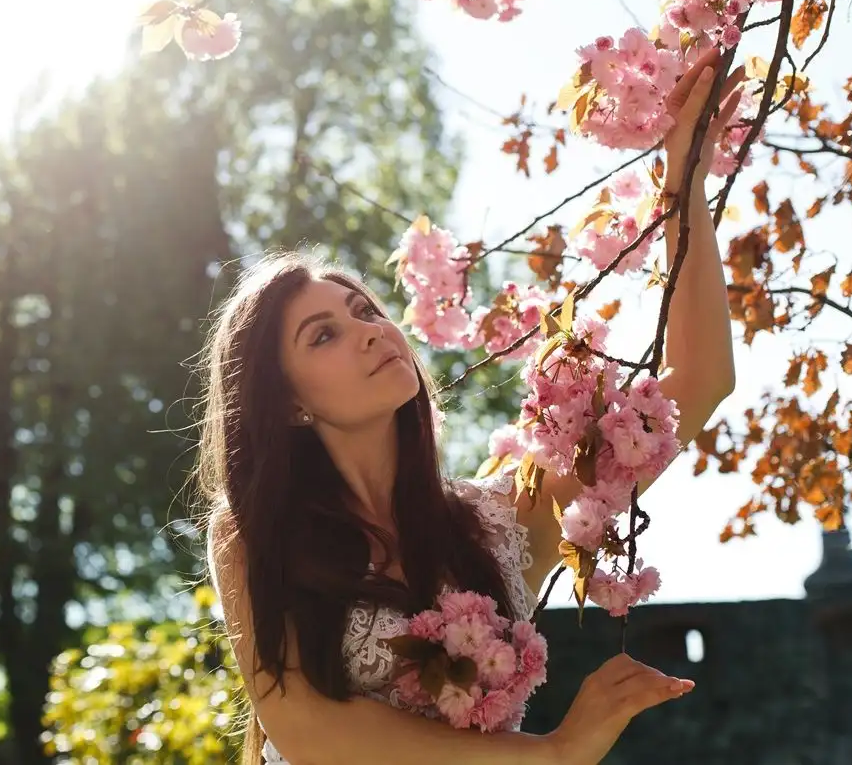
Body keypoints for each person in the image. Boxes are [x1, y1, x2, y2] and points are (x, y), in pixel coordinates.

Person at [197, 46, 742, 765]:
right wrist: (553, 753)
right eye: (324, 334)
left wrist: (685, 179)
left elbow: (699, 382)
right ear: (288, 403)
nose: (368, 332)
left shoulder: (503, 519)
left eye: (365, 310)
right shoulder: (253, 536)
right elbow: (308, 730)